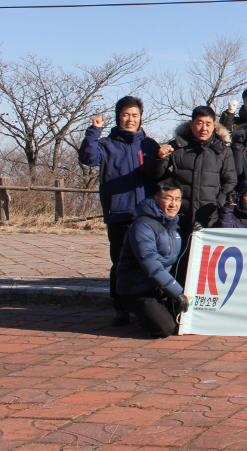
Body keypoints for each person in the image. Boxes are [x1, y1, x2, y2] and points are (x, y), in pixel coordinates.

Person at [78, 95, 159, 326]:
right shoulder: (107, 144)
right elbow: (88, 158)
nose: (130, 119)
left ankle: (146, 308)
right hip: (119, 214)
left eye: (135, 115)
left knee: (148, 262)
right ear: (118, 117)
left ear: (141, 117)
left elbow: (159, 173)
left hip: (147, 215)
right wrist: (94, 131)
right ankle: (121, 308)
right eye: (126, 115)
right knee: (121, 263)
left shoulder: (149, 145)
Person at [149, 106, 237, 278]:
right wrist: (158, 158)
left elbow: (230, 181)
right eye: (199, 123)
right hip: (178, 217)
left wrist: (217, 205)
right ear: (191, 124)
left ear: (214, 126)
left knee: (204, 266)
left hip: (209, 218)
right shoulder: (177, 146)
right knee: (176, 262)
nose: (204, 128)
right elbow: (155, 175)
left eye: (208, 124)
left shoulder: (222, 150)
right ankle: (173, 292)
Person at [116, 179, 190, 338]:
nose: (173, 204)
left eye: (177, 199)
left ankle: (158, 308)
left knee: (183, 323)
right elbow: (151, 266)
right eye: (168, 198)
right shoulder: (142, 226)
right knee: (165, 329)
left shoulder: (175, 225)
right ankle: (140, 315)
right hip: (137, 289)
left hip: (160, 288)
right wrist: (178, 293)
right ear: (156, 199)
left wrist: (195, 232)